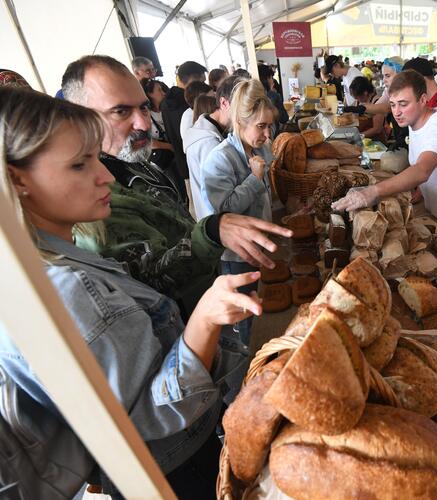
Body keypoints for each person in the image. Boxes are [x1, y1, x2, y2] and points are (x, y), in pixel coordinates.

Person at [0, 85, 260, 498]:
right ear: (18, 179)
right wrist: (206, 319)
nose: (104, 175)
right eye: (79, 165)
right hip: (174, 469)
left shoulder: (43, 263)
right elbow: (149, 415)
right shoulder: (66, 288)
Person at [61, 55, 291, 319]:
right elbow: (152, 280)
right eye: (121, 111)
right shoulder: (96, 201)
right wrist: (212, 231)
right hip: (180, 335)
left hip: (203, 309)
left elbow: (180, 233)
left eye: (144, 108)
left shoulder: (136, 163)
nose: (144, 124)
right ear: (81, 119)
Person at [332, 70, 437, 231]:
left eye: (403, 104)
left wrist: (372, 192)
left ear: (423, 100)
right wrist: (421, 188)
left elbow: (422, 169)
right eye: (393, 105)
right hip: (435, 207)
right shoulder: (414, 119)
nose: (397, 112)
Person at [201, 79, 277, 346]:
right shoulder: (219, 159)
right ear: (240, 121)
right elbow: (223, 213)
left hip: (260, 241)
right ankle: (250, 355)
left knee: (260, 301)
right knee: (246, 312)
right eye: (261, 126)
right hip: (237, 253)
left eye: (269, 126)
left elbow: (266, 193)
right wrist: (254, 178)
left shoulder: (260, 148)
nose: (267, 134)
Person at [186, 75, 241, 220]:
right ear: (224, 103)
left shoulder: (212, 129)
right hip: (219, 223)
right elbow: (220, 199)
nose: (248, 114)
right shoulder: (208, 143)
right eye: (243, 107)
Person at [161, 61, 207, 203]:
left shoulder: (166, 102)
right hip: (197, 164)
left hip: (182, 164)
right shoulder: (188, 104)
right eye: (201, 81)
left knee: (195, 205)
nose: (204, 85)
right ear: (193, 79)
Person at [141, 78, 175, 173]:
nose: (163, 93)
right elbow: (148, 142)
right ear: (150, 94)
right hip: (162, 162)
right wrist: (170, 146)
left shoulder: (166, 110)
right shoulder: (146, 115)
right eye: (159, 90)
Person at [349, 76, 386, 141]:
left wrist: (359, 136)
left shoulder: (377, 102)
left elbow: (377, 129)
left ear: (365, 93)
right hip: (361, 137)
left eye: (357, 97)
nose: (356, 99)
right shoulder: (359, 101)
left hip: (375, 140)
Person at [258, 63, 289, 132]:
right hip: (273, 135)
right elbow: (284, 118)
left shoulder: (252, 97)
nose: (273, 81)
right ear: (266, 79)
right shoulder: (274, 96)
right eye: (271, 78)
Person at [181, 81, 213, 146]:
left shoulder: (189, 113)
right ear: (201, 100)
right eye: (211, 98)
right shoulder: (190, 118)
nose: (215, 102)